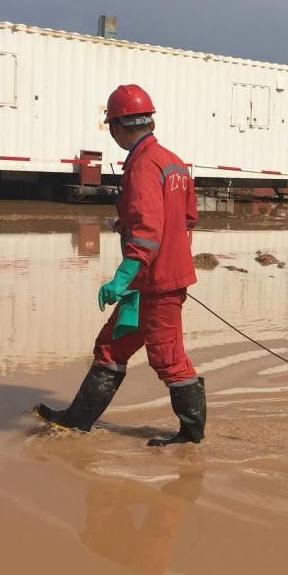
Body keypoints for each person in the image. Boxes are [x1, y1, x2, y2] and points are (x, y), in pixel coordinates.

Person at [33, 83, 206, 446]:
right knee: (111, 347)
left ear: (116, 126)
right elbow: (186, 218)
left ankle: (191, 439)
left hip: (154, 282)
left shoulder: (143, 166)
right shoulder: (173, 162)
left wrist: (122, 276)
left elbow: (148, 230)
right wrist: (127, 225)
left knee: (168, 359)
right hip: (153, 279)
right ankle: (76, 421)